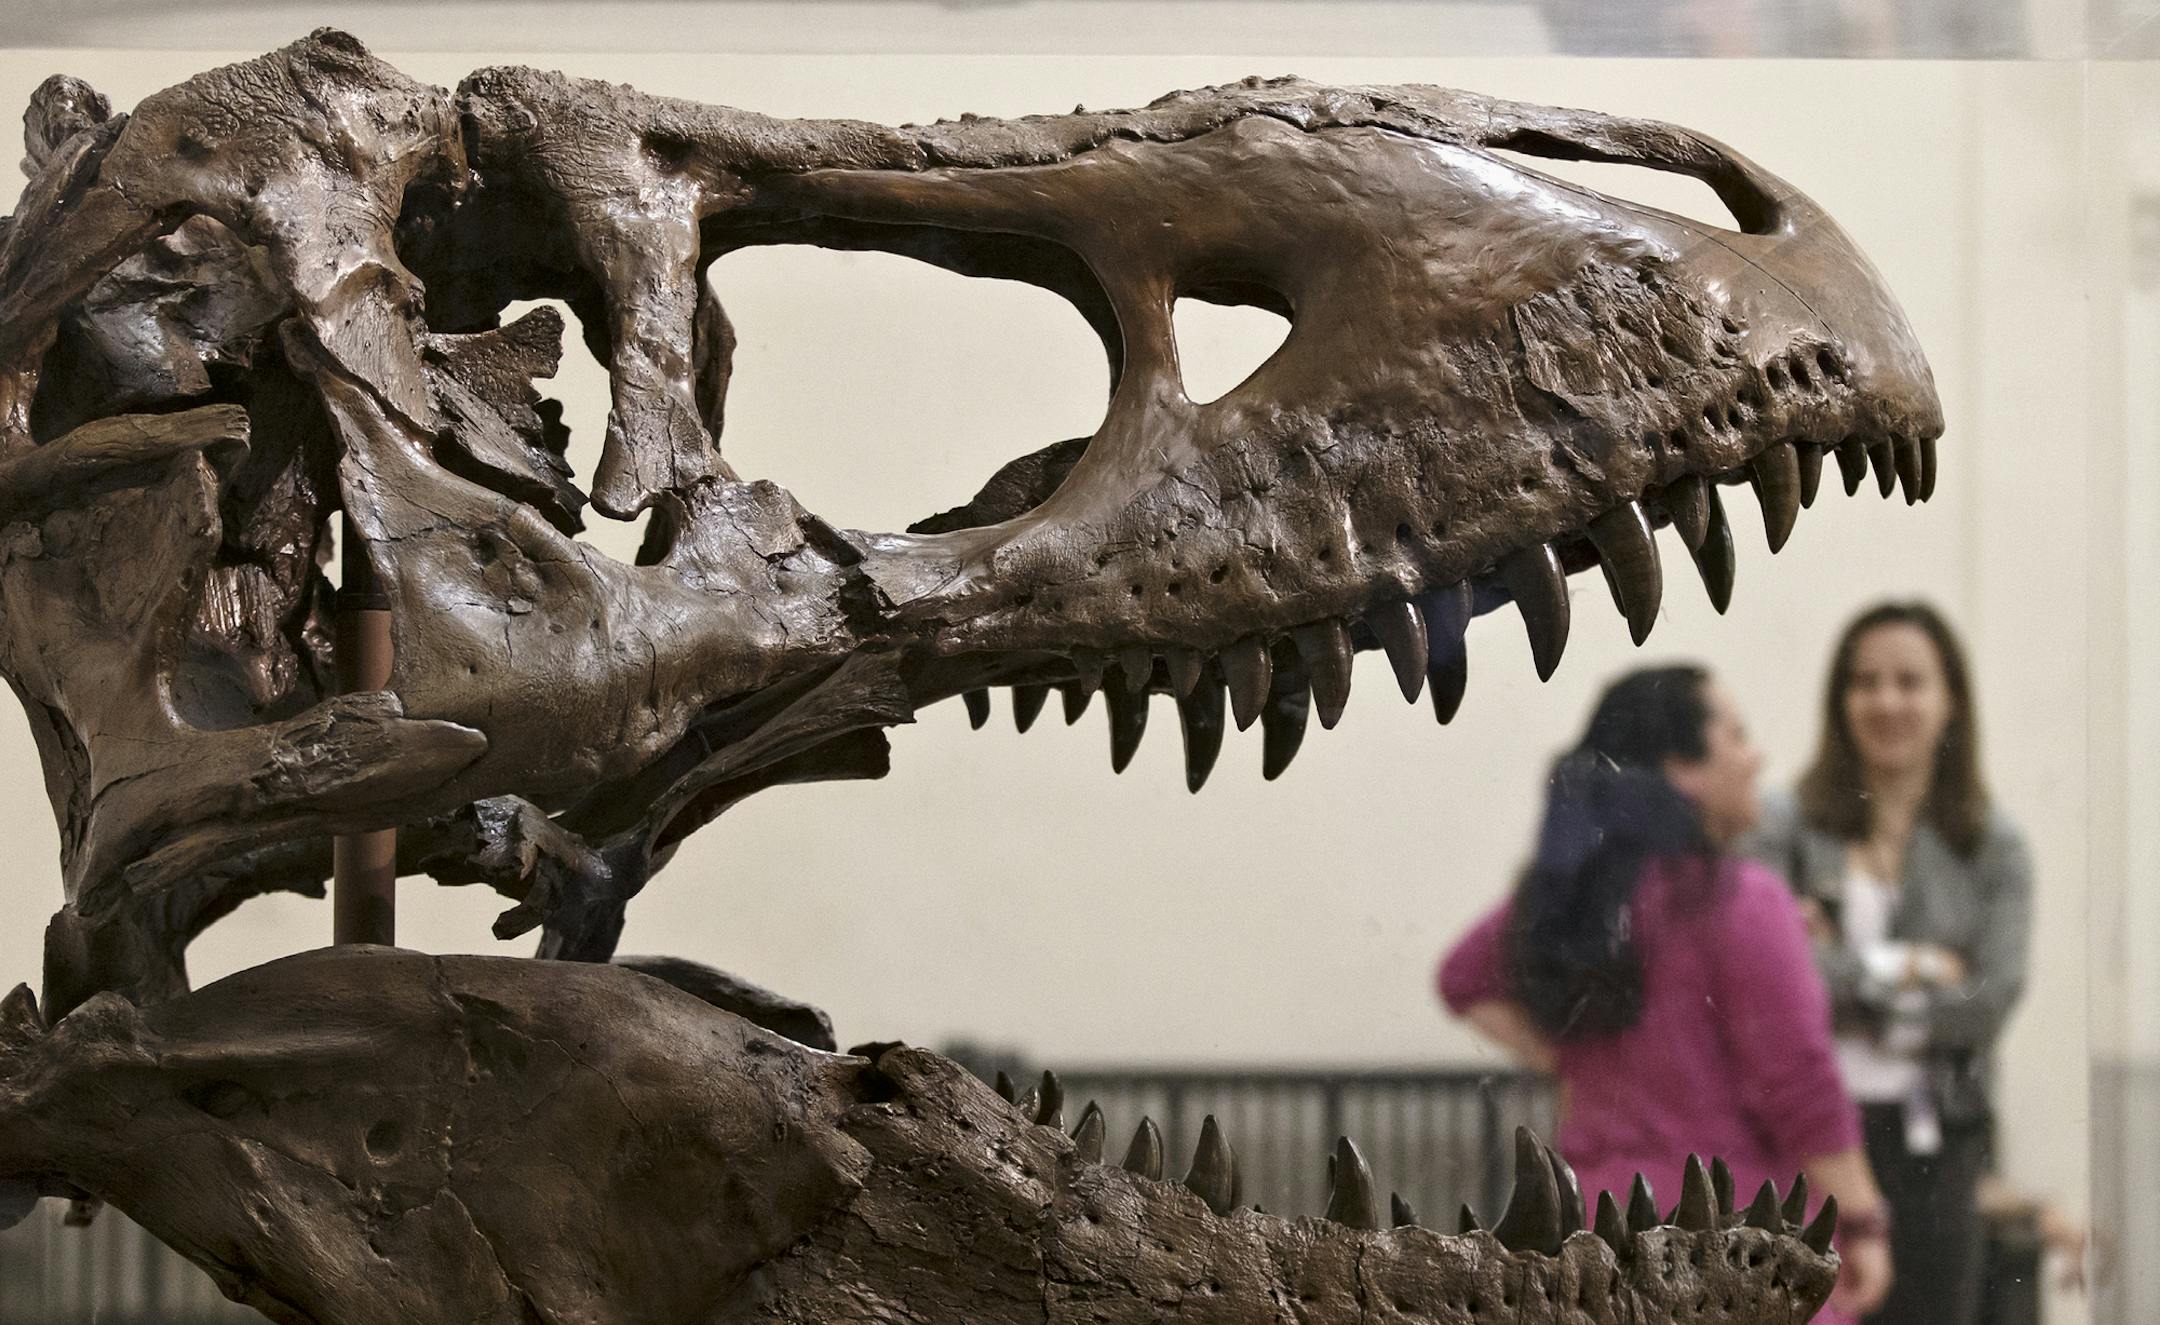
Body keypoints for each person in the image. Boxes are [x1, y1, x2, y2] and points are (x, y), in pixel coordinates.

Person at [1438, 665, 1892, 1321]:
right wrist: (1865, 1219)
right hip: (1737, 1249)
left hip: (1597, 1250)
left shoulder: (1568, 901)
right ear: (1683, 765)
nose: (1756, 755)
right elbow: (1800, 1081)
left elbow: (1463, 978)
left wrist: (1564, 1052)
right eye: (1736, 734)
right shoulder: (1740, 900)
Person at [1747, 602, 2031, 1325]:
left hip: (1939, 1137)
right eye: (1866, 681)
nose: (1887, 700)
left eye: (1910, 681)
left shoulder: (1993, 844)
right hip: (1808, 1136)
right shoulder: (1784, 822)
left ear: (1949, 701)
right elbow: (1768, 975)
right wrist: (1912, 968)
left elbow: (1989, 1000)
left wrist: (1843, 974)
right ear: (1841, 700)